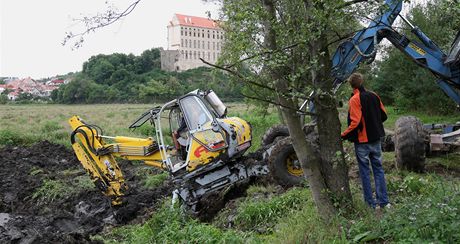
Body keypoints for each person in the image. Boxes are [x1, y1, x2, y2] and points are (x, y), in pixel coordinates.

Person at [341, 72, 390, 209]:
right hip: (376, 139)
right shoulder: (374, 95)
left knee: (365, 173)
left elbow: (355, 122)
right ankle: (384, 202)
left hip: (362, 142)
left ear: (351, 86)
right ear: (362, 82)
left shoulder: (355, 99)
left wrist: (343, 135)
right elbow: (384, 115)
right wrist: (375, 124)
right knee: (378, 170)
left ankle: (370, 204)